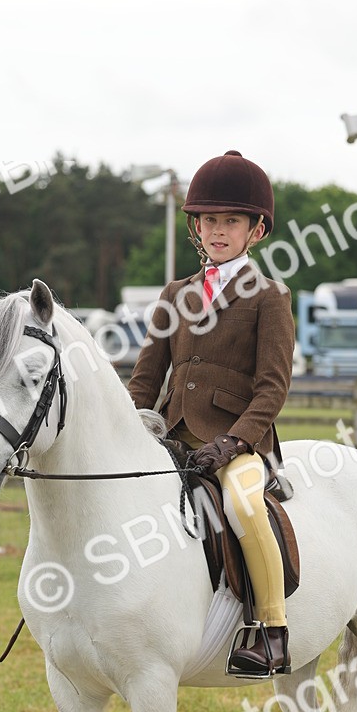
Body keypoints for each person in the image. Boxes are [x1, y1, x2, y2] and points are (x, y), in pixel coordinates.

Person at [128, 149, 295, 677]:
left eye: (230, 221)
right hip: (172, 435)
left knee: (244, 504)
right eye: (209, 220)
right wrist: (129, 425)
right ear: (195, 226)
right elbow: (147, 378)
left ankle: (270, 629)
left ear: (256, 231)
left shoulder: (270, 298)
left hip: (236, 443)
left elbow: (272, 389)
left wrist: (236, 441)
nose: (217, 230)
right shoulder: (175, 293)